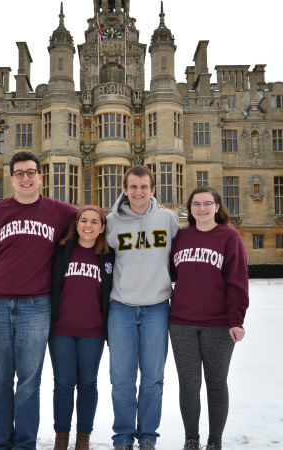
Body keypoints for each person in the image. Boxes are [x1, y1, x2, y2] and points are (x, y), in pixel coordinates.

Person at [0, 151, 77, 450]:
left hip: (36, 306)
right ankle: (1, 444)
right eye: (19, 173)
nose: (25, 178)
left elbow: (96, 219)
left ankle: (25, 445)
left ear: (41, 177)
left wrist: (144, 207)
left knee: (29, 383)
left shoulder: (61, 213)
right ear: (12, 178)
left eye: (31, 172)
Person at [105, 165, 180, 450]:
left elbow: (180, 257)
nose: (138, 192)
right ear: (124, 190)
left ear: (152, 190)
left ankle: (148, 436)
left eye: (143, 187)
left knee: (153, 380)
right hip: (121, 308)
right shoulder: (111, 222)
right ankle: (123, 436)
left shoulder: (168, 219)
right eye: (133, 187)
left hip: (157, 308)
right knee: (122, 380)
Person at [169, 186, 249, 450]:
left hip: (218, 324)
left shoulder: (229, 237)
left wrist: (236, 320)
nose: (201, 209)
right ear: (189, 209)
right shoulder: (181, 237)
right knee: (188, 385)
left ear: (217, 207)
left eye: (206, 204)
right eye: (195, 204)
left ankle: (215, 440)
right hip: (181, 323)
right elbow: (171, 271)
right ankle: (191, 439)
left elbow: (238, 281)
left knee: (216, 383)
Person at [49, 205, 114, 450]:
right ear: (76, 224)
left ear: (103, 227)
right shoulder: (62, 250)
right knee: (63, 384)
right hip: (61, 330)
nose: (88, 225)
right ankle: (61, 438)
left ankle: (83, 438)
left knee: (88, 383)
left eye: (95, 222)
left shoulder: (109, 255)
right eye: (83, 220)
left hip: (93, 331)